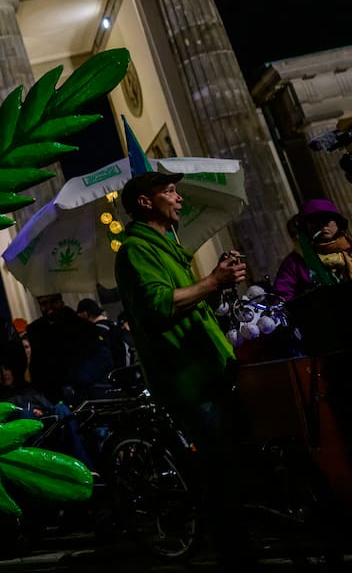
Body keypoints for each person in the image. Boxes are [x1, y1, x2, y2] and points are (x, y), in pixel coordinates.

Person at [113, 170, 253, 571]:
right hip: (189, 379)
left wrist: (218, 285)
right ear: (145, 202)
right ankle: (236, 556)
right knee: (220, 470)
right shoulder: (136, 251)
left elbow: (190, 304)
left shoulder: (167, 248)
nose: (179, 199)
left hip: (210, 368)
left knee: (234, 460)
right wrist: (211, 281)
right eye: (170, 192)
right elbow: (158, 306)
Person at [25, 293, 112, 406]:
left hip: (85, 393)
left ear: (61, 302)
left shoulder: (83, 327)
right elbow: (37, 366)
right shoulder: (35, 331)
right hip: (54, 396)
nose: (49, 307)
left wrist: (78, 379)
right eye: (44, 303)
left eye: (53, 301)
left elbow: (102, 358)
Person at [272, 197, 352, 301]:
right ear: (306, 228)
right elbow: (282, 299)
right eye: (315, 221)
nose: (322, 226)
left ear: (338, 223)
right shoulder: (295, 263)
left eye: (326, 220)